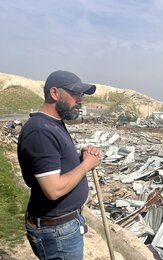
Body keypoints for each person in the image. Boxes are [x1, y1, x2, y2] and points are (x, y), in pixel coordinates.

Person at [17, 70, 101, 259]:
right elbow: (53, 190)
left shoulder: (53, 124)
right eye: (75, 94)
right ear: (55, 93)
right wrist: (87, 164)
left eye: (81, 95)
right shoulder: (40, 131)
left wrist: (81, 158)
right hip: (57, 231)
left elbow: (57, 165)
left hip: (63, 226)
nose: (80, 100)